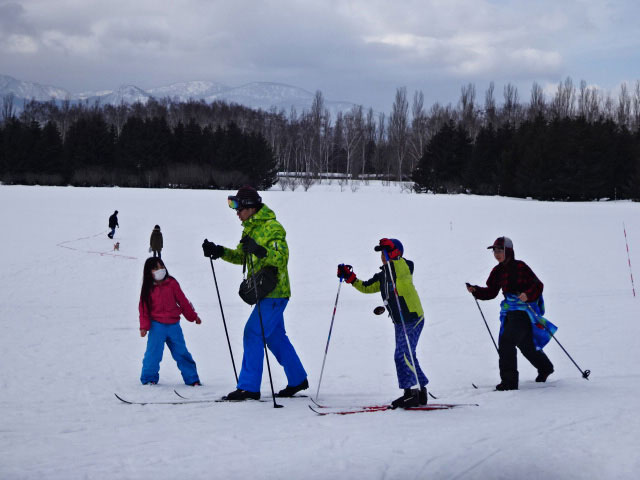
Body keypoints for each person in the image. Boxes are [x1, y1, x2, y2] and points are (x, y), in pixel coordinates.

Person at [202, 185, 308, 401]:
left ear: (250, 207)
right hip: (265, 292)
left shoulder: (272, 227)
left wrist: (259, 250)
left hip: (275, 292)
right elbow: (242, 257)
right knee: (275, 337)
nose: (237, 213)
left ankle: (249, 387)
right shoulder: (250, 229)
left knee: (253, 332)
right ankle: (298, 379)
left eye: (239, 208)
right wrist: (219, 251)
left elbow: (281, 258)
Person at [337, 238, 429, 409]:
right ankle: (419, 391)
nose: (382, 256)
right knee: (408, 354)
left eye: (385, 252)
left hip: (413, 318)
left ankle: (413, 393)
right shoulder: (383, 275)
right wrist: (350, 278)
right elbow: (366, 287)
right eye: (381, 253)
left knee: (402, 354)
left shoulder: (405, 268)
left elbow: (401, 268)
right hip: (399, 322)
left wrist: (395, 256)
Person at [466, 236, 554, 391]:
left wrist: (527, 294)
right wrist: (476, 290)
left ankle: (509, 382)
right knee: (525, 344)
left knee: (507, 342)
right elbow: (491, 292)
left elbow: (538, 285)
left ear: (509, 251)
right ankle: (545, 367)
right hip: (509, 313)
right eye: (494, 250)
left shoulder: (520, 267)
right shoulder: (498, 271)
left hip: (524, 313)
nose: (497, 253)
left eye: (500, 250)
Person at [139, 257, 202, 386]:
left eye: (161, 267)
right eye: (155, 268)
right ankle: (149, 379)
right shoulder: (147, 288)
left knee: (182, 353)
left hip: (174, 326)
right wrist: (144, 327)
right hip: (157, 326)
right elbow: (144, 309)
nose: (160, 270)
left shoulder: (172, 283)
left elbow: (183, 301)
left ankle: (192, 379)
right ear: (149, 272)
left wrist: (193, 316)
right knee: (153, 354)